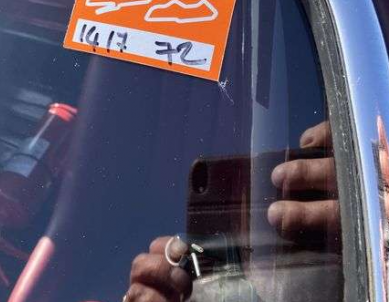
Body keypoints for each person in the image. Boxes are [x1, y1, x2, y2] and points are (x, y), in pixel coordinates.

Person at [125, 121, 341, 302]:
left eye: (254, 196)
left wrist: (357, 231)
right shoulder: (195, 288)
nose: (253, 211)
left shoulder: (331, 266)